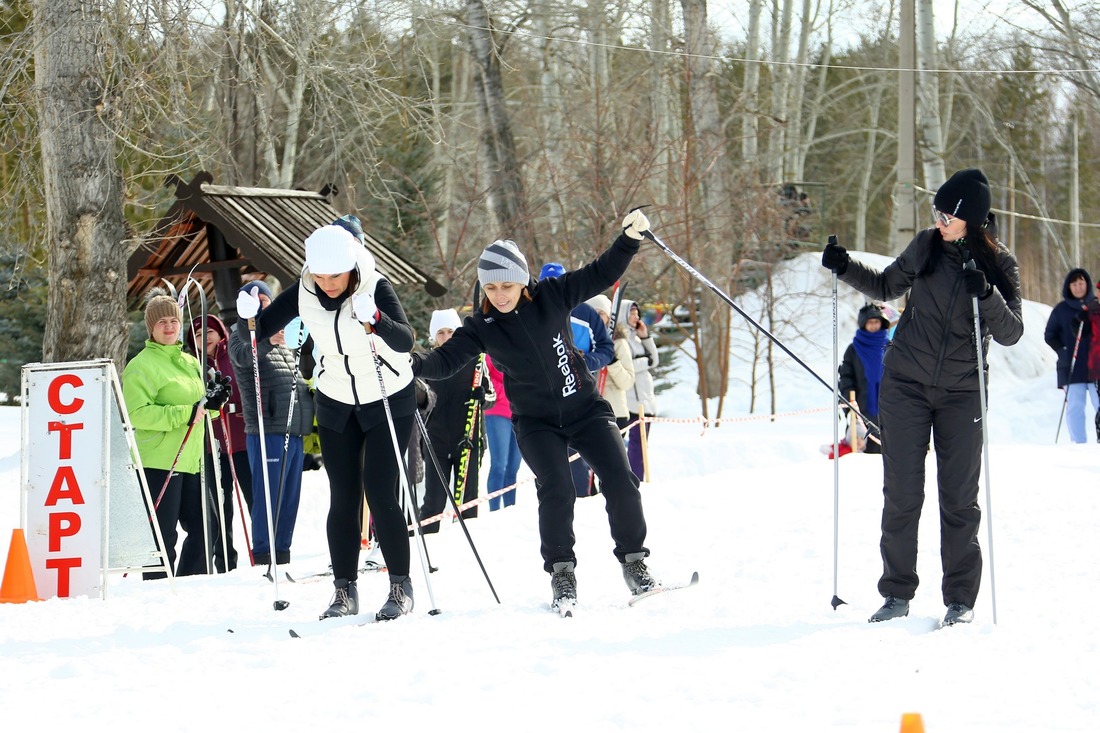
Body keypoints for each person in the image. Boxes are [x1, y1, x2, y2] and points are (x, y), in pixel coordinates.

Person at [411, 210, 660, 614]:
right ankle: (562, 572)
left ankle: (635, 563)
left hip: (584, 407)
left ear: (524, 280)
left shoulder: (553, 294)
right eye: (491, 288)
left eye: (508, 285)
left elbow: (600, 272)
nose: (500, 295)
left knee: (620, 478)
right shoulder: (482, 326)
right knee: (557, 488)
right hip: (535, 422)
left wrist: (629, 239)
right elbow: (446, 358)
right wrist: (414, 364)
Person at [821, 167, 1024, 626]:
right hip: (906, 385)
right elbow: (887, 285)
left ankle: (960, 599)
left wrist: (987, 294)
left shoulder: (999, 263)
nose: (939, 221)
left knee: (958, 499)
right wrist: (845, 265)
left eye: (947, 215)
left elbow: (1012, 332)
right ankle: (896, 593)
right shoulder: (927, 246)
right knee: (902, 494)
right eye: (936, 212)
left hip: (963, 394)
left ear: (970, 218)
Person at [236, 215, 418, 621]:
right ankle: (344, 591)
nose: (328, 283)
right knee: (344, 494)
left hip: (387, 395)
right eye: (320, 275)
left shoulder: (375, 286)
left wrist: (378, 320)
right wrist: (246, 318)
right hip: (336, 398)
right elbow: (258, 332)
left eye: (335, 275)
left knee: (380, 488)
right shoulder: (303, 290)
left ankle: (400, 586)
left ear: (353, 264)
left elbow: (406, 340)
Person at [123, 289, 231, 579]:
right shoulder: (140, 366)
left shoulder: (189, 362)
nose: (169, 327)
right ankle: (157, 589)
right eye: (162, 322)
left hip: (192, 459)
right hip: (159, 460)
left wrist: (214, 403)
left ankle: (186, 585)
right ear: (151, 327)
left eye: (173, 320)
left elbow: (201, 409)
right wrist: (188, 412)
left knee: (206, 528)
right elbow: (137, 414)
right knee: (163, 536)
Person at [228, 280, 315, 571]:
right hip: (267, 427)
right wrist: (266, 341)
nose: (267, 308)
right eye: (260, 303)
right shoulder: (239, 333)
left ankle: (283, 551)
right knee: (269, 494)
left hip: (294, 426)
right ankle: (264, 553)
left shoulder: (286, 336)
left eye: (268, 301)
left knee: (290, 495)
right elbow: (242, 358)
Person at [539, 262, 614, 496]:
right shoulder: (530, 312)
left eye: (557, 284)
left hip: (580, 397)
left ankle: (582, 503)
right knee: (547, 462)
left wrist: (586, 361)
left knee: (579, 460)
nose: (552, 290)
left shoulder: (585, 313)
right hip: (542, 401)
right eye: (545, 285)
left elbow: (606, 349)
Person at [417, 308, 493, 533]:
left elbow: (491, 397)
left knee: (468, 499)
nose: (447, 336)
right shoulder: (428, 363)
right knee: (434, 500)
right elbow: (419, 401)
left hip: (468, 440)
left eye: (451, 331)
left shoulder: (473, 360)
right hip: (436, 442)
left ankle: (466, 543)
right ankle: (427, 540)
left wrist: (483, 396)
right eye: (441, 332)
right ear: (433, 336)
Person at [185, 314, 250, 571]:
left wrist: (232, 404)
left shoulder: (233, 355)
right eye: (199, 335)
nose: (206, 338)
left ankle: (265, 553)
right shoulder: (193, 366)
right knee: (220, 506)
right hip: (213, 446)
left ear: (221, 333)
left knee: (254, 499)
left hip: (242, 441)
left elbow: (248, 389)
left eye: (210, 331)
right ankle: (224, 560)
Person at [1043, 268, 1099, 444]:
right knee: (1075, 406)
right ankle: (1079, 442)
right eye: (1074, 284)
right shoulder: (1061, 309)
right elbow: (1050, 335)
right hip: (1072, 366)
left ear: (1087, 284)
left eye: (1081, 283)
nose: (1078, 287)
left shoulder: (1096, 305)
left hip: (1095, 366)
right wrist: (1063, 351)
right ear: (1069, 287)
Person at [837, 303, 891, 455]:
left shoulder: (891, 347)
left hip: (889, 408)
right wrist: (850, 401)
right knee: (863, 452)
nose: (874, 326)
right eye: (870, 322)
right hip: (861, 408)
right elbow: (846, 377)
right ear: (863, 324)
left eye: (876, 322)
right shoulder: (853, 349)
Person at [618, 299, 659, 481]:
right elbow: (628, 365)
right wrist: (646, 360)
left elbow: (654, 359)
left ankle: (638, 479)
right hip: (629, 400)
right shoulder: (620, 338)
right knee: (627, 445)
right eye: (631, 313)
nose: (636, 317)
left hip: (645, 398)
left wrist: (645, 337)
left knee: (641, 444)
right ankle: (631, 480)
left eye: (637, 313)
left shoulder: (636, 336)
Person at [483, 353, 521, 511]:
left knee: (513, 466)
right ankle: (495, 511)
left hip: (519, 412)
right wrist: (508, 392)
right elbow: (486, 377)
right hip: (498, 410)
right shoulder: (490, 348)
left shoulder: (520, 344)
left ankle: (510, 510)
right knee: (499, 465)